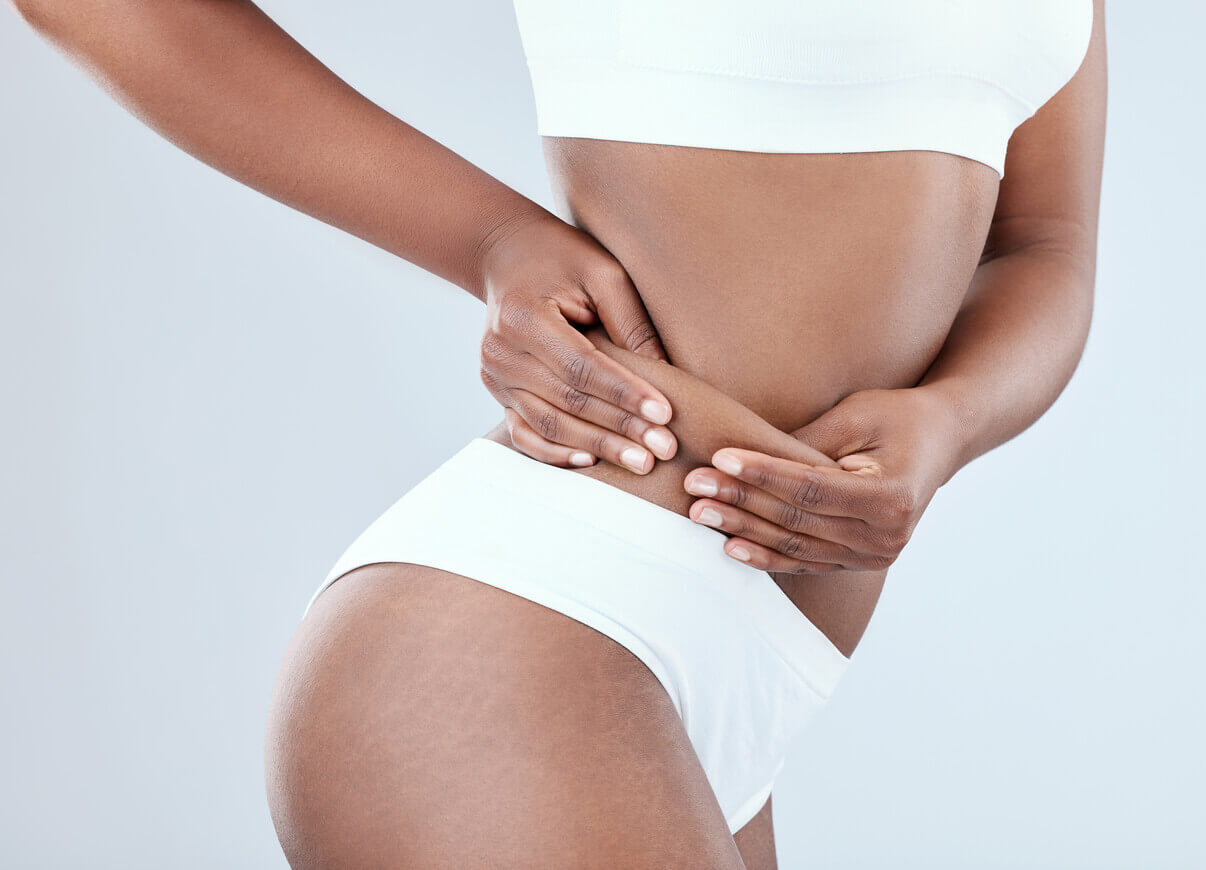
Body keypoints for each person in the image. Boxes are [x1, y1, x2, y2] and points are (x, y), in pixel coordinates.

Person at [14, 0, 1107, 866]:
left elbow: (1043, 241)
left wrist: (952, 419)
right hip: (531, 634)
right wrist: (489, 238)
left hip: (744, 676)